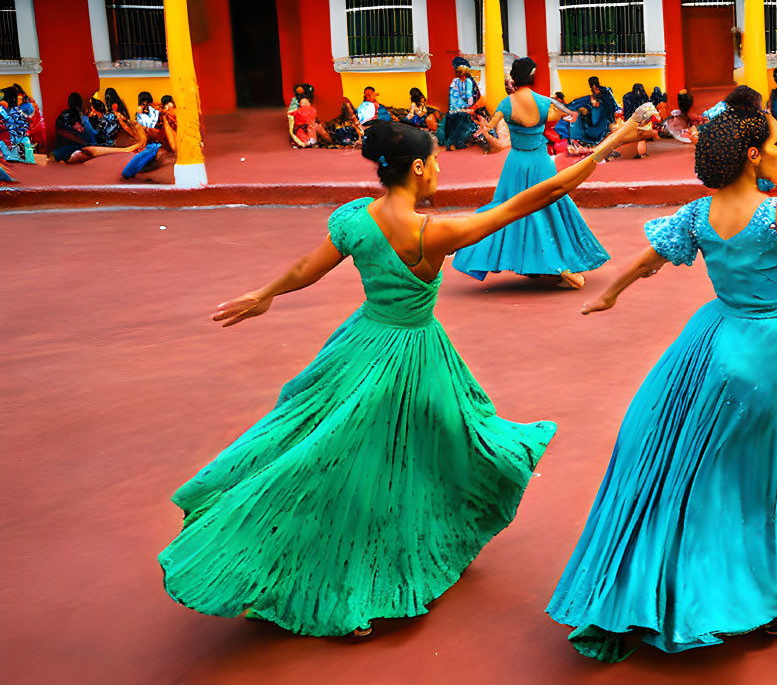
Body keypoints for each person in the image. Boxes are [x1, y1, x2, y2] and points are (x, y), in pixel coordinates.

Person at [158, 112, 649, 638]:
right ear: (417, 168)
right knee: (407, 453)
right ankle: (356, 583)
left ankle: (293, 551)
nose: (438, 169)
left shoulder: (354, 221)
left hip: (358, 345)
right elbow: (540, 196)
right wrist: (616, 139)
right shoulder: (433, 234)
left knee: (330, 451)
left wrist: (267, 294)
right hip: (409, 355)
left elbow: (308, 266)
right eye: (435, 161)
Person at [546, 86, 777, 661]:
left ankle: (692, 583)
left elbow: (647, 261)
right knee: (761, 472)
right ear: (753, 154)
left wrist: (608, 296)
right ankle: (756, 597)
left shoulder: (698, 214)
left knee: (703, 474)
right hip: (761, 353)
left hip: (709, 345)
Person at [453, 58, 628, 289]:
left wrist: (485, 131)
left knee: (509, 210)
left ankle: (555, 268)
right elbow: (569, 115)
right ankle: (555, 266)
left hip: (516, 162)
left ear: (513, 79)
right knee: (548, 208)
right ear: (533, 77)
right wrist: (558, 104)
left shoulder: (506, 104)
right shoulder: (544, 103)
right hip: (540, 161)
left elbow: (494, 138)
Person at [436, 57, 487, 151]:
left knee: (463, 118)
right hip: (458, 110)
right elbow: (454, 100)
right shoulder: (455, 82)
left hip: (469, 110)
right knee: (458, 117)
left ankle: (454, 142)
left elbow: (471, 98)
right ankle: (451, 142)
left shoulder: (469, 82)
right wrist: (463, 108)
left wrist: (468, 107)